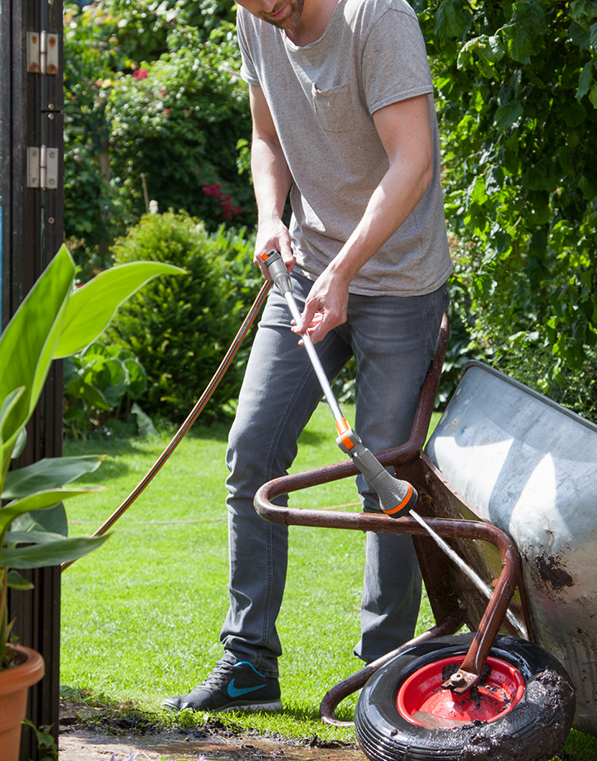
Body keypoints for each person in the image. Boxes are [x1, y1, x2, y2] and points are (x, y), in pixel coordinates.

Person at [162, 0, 452, 712]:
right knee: (252, 448)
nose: (269, 12)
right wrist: (269, 215)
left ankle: (385, 674)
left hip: (399, 280)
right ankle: (250, 661)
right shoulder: (256, 19)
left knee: (383, 474)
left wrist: (346, 271)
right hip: (307, 273)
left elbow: (414, 158)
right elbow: (268, 135)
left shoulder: (376, 19)